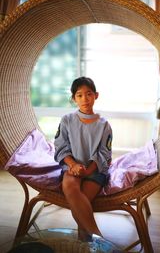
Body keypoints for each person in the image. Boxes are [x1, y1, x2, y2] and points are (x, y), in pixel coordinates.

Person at [54, 76, 112, 241]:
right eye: (79, 95)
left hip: (95, 170)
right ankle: (100, 240)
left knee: (82, 201)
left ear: (96, 95)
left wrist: (89, 170)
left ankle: (85, 241)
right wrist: (73, 165)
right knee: (71, 189)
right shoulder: (67, 120)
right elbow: (60, 146)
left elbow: (104, 153)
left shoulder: (104, 125)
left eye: (89, 94)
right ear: (74, 99)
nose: (84, 99)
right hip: (72, 168)